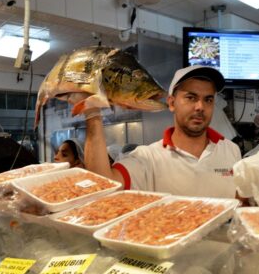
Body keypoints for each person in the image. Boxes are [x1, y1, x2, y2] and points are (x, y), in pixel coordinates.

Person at [83, 66, 242, 198]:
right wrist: (92, 114)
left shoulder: (230, 150)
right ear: (172, 103)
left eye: (208, 99)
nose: (200, 106)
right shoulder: (147, 158)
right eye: (191, 97)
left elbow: (239, 200)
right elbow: (103, 186)